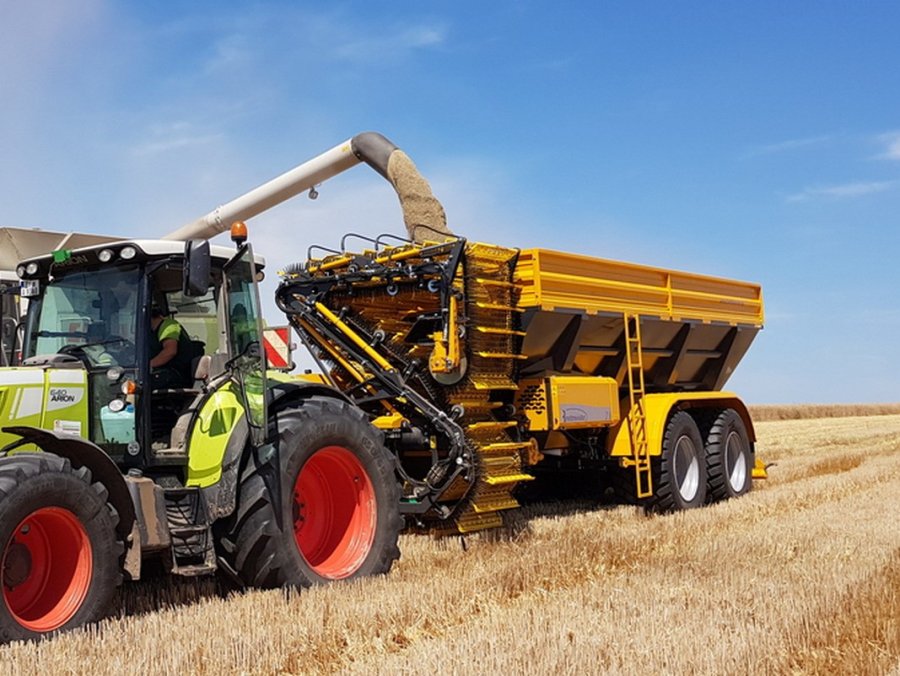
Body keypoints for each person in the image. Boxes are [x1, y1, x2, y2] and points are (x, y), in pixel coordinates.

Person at [149, 307, 194, 389]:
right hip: (164, 371)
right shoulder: (150, 333)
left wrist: (147, 365)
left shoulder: (169, 325)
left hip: (177, 373)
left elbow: (170, 351)